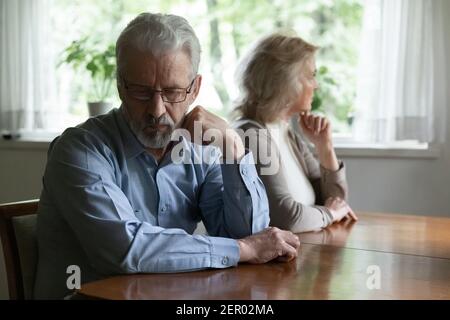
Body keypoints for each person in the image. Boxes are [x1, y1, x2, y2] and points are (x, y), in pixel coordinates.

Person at [33, 14, 300, 299]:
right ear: (121, 86)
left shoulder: (202, 150)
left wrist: (234, 148)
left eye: (172, 92)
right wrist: (243, 250)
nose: (157, 109)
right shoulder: (80, 150)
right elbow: (125, 249)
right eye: (141, 91)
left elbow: (249, 233)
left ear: (194, 89)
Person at [233, 32, 358, 234]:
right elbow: (286, 217)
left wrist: (324, 147)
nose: (316, 84)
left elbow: (336, 201)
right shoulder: (251, 136)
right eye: (311, 76)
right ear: (286, 82)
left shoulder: (284, 132)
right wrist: (329, 214)